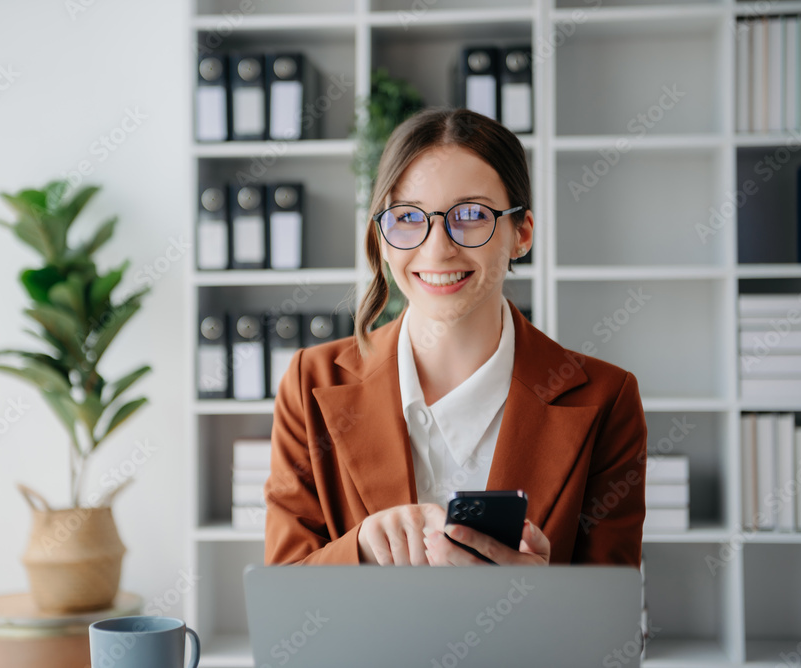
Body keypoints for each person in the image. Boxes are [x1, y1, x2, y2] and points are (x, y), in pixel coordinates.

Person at [264, 107, 646, 567]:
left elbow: (611, 628)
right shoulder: (308, 383)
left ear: (521, 233)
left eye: (469, 214)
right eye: (407, 217)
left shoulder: (608, 399)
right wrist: (359, 549)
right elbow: (284, 604)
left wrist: (543, 599)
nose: (437, 248)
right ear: (382, 237)